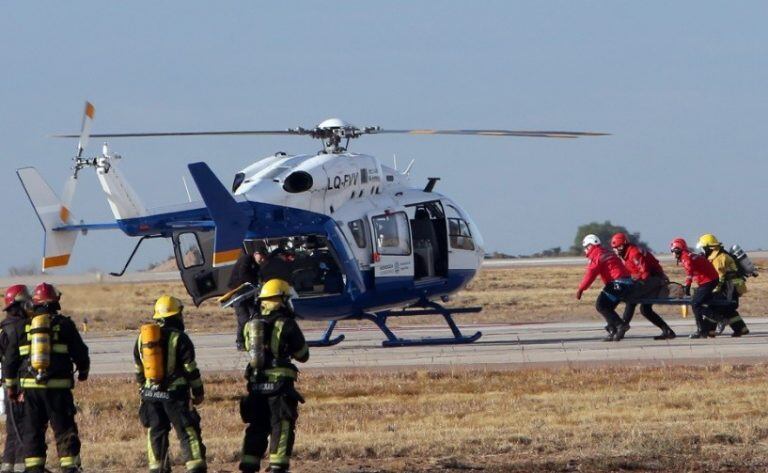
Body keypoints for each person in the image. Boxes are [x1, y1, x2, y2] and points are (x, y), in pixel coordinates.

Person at [2, 283, 89, 473]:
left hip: (31, 391)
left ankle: (34, 469)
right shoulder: (65, 326)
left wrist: (11, 389)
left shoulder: (22, 328)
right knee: (64, 431)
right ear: (55, 302)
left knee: (32, 433)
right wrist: (83, 372)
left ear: (34, 304)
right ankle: (70, 468)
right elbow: (81, 353)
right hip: (58, 390)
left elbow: (10, 362)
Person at [239, 279, 309, 473]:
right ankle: (278, 465)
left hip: (256, 385)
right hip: (280, 387)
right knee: (282, 425)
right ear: (281, 299)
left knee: (257, 426)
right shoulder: (287, 324)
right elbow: (303, 355)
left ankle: (249, 464)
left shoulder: (250, 325)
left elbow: (247, 347)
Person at [133, 295, 207, 473]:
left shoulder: (142, 339)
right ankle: (195, 466)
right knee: (187, 431)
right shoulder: (180, 338)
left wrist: (144, 389)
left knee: (156, 432)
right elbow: (191, 368)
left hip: (151, 395)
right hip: (175, 395)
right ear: (176, 316)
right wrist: (198, 392)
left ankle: (157, 467)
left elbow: (139, 369)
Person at [610, 233, 676, 340]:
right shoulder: (627, 254)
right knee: (645, 310)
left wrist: (635, 285)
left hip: (655, 279)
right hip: (650, 279)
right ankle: (667, 331)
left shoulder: (634, 253)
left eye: (619, 247)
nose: (617, 250)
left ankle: (622, 328)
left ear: (625, 245)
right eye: (615, 248)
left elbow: (645, 273)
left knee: (631, 299)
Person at [576, 234, 633, 342]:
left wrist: (581, 289)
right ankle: (613, 330)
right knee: (607, 307)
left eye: (586, 247)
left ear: (589, 246)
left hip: (618, 283)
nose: (585, 250)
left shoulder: (596, 255)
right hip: (626, 283)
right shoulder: (606, 252)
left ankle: (620, 325)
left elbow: (590, 274)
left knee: (601, 305)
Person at [0, 285, 31, 473]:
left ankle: (7, 464)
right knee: (24, 424)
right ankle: (21, 464)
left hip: (8, 383)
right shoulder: (20, 328)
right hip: (20, 383)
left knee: (12, 427)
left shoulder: (4, 327)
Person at [696, 234, 749, 337]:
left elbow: (719, 276)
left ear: (709, 247)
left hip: (729, 287)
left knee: (715, 306)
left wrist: (714, 289)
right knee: (728, 309)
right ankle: (741, 329)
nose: (702, 251)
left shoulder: (719, 258)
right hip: (731, 286)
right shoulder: (717, 256)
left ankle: (708, 330)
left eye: (703, 248)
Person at [670, 238, 720, 338]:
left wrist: (687, 286)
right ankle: (704, 331)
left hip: (708, 281)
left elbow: (689, 272)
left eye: (672, 251)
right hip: (708, 281)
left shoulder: (685, 258)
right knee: (699, 304)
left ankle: (716, 319)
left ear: (677, 250)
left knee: (695, 304)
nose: (672, 254)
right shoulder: (688, 255)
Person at [228, 247, 267, 351]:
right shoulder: (245, 259)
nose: (262, 260)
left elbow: (260, 276)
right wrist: (255, 283)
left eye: (264, 259)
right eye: (261, 257)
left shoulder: (257, 265)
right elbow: (243, 275)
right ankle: (240, 342)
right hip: (238, 294)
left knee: (256, 317)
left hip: (249, 294)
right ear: (256, 253)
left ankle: (257, 341)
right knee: (243, 319)